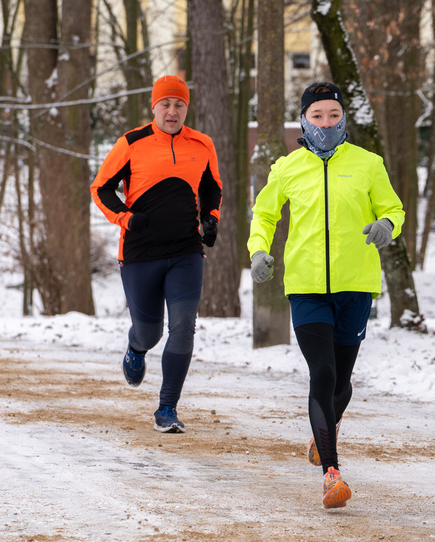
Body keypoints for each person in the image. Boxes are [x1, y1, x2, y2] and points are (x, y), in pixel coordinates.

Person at [247, 82, 405, 509]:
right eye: (317, 115)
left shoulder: (369, 164)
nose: (326, 122)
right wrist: (258, 249)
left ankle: (324, 432)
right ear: (303, 120)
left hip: (356, 286)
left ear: (343, 119)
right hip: (306, 287)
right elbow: (263, 213)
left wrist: (388, 226)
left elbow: (394, 208)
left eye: (333, 115)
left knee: (342, 381)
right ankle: (331, 474)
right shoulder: (287, 168)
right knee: (323, 374)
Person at [90, 75, 222, 434]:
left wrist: (210, 219)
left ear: (186, 108)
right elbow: (101, 188)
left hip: (185, 251)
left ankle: (167, 408)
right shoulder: (132, 143)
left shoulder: (202, 144)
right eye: (166, 104)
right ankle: (136, 347)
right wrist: (126, 217)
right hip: (139, 252)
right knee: (150, 332)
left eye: (179, 104)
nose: (173, 110)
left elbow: (212, 188)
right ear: (154, 107)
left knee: (183, 326)